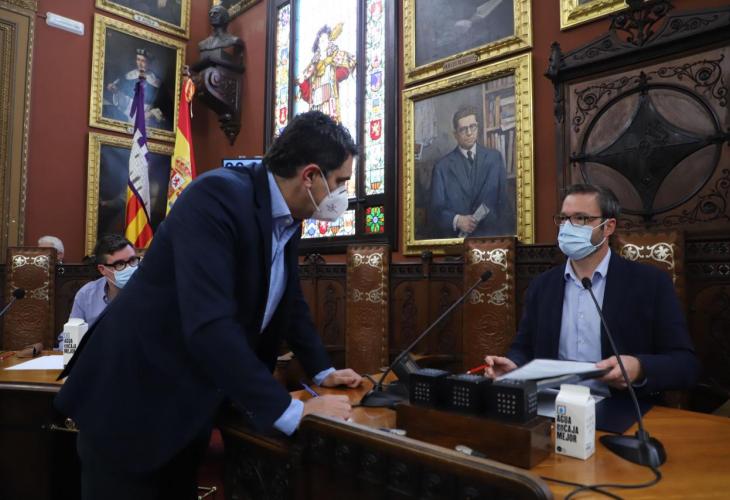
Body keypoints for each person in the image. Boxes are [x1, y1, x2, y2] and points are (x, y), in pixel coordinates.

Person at [55, 111, 362, 499]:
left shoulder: (286, 217)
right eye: (340, 182)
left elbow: (289, 299)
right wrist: (291, 411)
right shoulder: (217, 197)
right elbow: (209, 325)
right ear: (310, 176)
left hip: (185, 408)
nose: (341, 195)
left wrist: (323, 370)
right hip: (131, 402)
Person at [483, 184, 700, 395]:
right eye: (564, 219)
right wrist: (514, 366)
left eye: (581, 218)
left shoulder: (650, 283)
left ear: (608, 227)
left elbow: (685, 364)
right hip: (553, 405)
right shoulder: (542, 286)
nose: (568, 227)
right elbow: (523, 348)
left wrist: (639, 367)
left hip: (620, 407)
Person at [429, 106, 513, 238]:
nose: (469, 133)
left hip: (492, 239)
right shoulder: (442, 167)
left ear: (477, 127)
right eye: (463, 129)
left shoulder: (494, 158)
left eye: (472, 127)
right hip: (458, 242)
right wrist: (457, 220)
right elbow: (435, 212)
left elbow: (504, 205)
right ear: (455, 134)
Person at [55, 235, 138, 349]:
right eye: (120, 264)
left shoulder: (153, 290)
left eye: (133, 260)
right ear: (102, 269)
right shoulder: (86, 294)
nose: (129, 268)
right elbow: (68, 339)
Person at [297, 23, 356, 124]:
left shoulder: (336, 56)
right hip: (315, 106)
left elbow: (344, 71)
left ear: (329, 41)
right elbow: (308, 95)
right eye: (320, 40)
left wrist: (331, 72)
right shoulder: (312, 66)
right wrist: (302, 81)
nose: (322, 42)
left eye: (324, 39)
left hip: (330, 103)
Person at [105, 48, 166, 128]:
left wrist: (151, 112)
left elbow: (162, 105)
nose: (140, 64)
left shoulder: (156, 81)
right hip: (127, 112)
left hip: (146, 116)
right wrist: (115, 91)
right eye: (138, 59)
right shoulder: (128, 76)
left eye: (143, 61)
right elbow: (124, 101)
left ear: (149, 63)